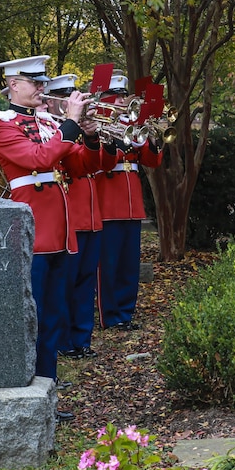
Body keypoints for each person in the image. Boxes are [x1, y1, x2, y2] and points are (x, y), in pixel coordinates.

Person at [0, 55, 101, 422]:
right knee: (28, 320)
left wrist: (94, 136)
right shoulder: (1, 125)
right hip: (32, 234)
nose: (41, 88)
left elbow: (81, 166)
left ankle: (46, 392)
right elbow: (37, 158)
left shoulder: (51, 122)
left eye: (43, 81)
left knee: (52, 318)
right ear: (12, 85)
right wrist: (69, 124)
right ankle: (23, 392)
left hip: (61, 233)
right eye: (34, 82)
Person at [95, 73, 163, 330]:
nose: (123, 100)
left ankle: (125, 312)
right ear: (107, 98)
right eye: (119, 96)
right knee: (109, 262)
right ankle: (109, 314)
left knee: (128, 262)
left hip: (132, 201)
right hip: (108, 200)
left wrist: (153, 138)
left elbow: (151, 161)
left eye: (124, 96)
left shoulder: (131, 123)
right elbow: (103, 161)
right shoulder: (99, 123)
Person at [44, 73, 104, 359]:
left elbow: (98, 163)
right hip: (68, 216)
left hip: (91, 216)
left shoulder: (74, 128)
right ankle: (64, 341)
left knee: (84, 284)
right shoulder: (51, 130)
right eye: (66, 96)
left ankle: (82, 339)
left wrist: (95, 136)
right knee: (64, 287)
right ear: (54, 101)